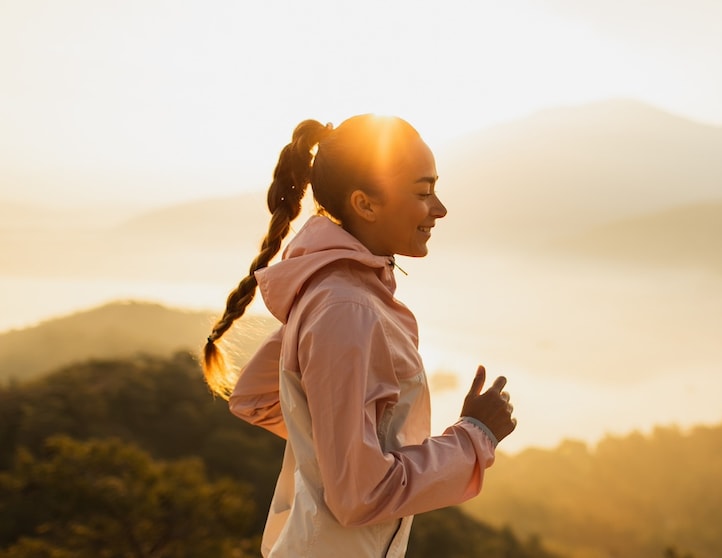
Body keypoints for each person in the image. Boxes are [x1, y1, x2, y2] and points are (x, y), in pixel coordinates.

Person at [201, 115, 517, 557]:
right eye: (423, 193)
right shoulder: (346, 308)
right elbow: (360, 495)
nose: (440, 208)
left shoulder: (331, 290)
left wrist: (337, 444)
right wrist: (474, 436)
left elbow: (257, 398)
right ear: (365, 205)